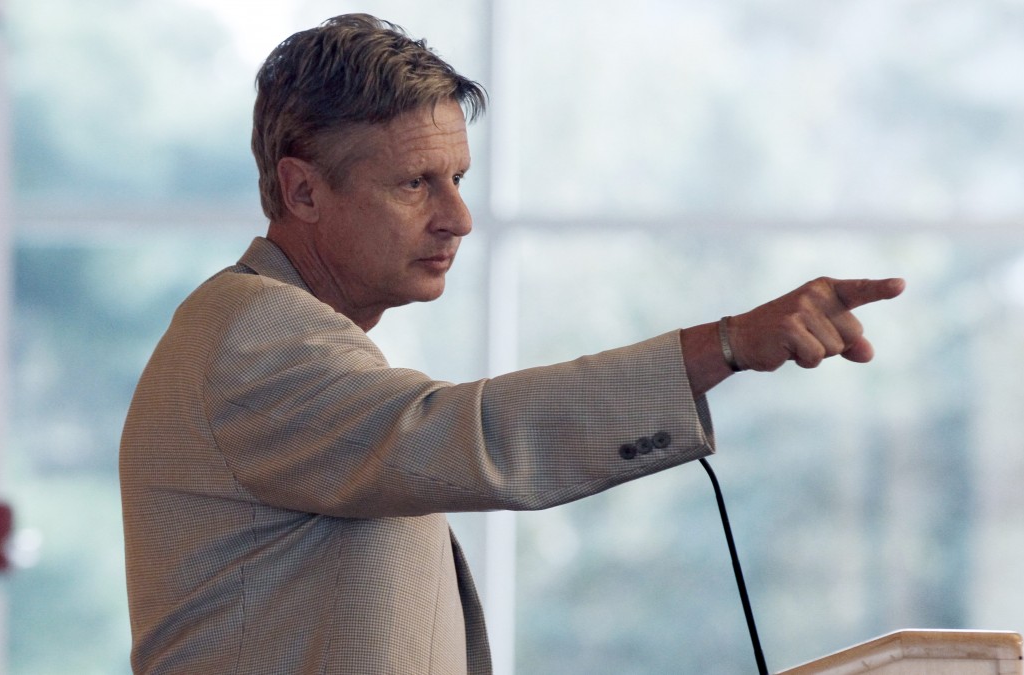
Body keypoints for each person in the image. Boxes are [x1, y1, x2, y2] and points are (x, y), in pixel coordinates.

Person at [119, 13, 905, 674]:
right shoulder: (251, 335)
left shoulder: (294, 339)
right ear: (302, 190)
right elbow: (469, 433)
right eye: (415, 183)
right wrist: (724, 345)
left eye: (458, 177)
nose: (457, 217)